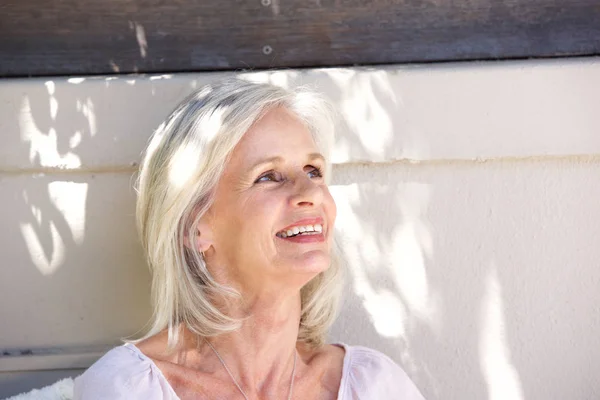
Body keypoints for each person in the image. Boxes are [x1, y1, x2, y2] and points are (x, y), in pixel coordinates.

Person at [74, 78, 425, 399]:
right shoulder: (130, 389)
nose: (311, 192)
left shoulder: (373, 386)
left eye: (313, 170)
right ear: (195, 225)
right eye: (269, 176)